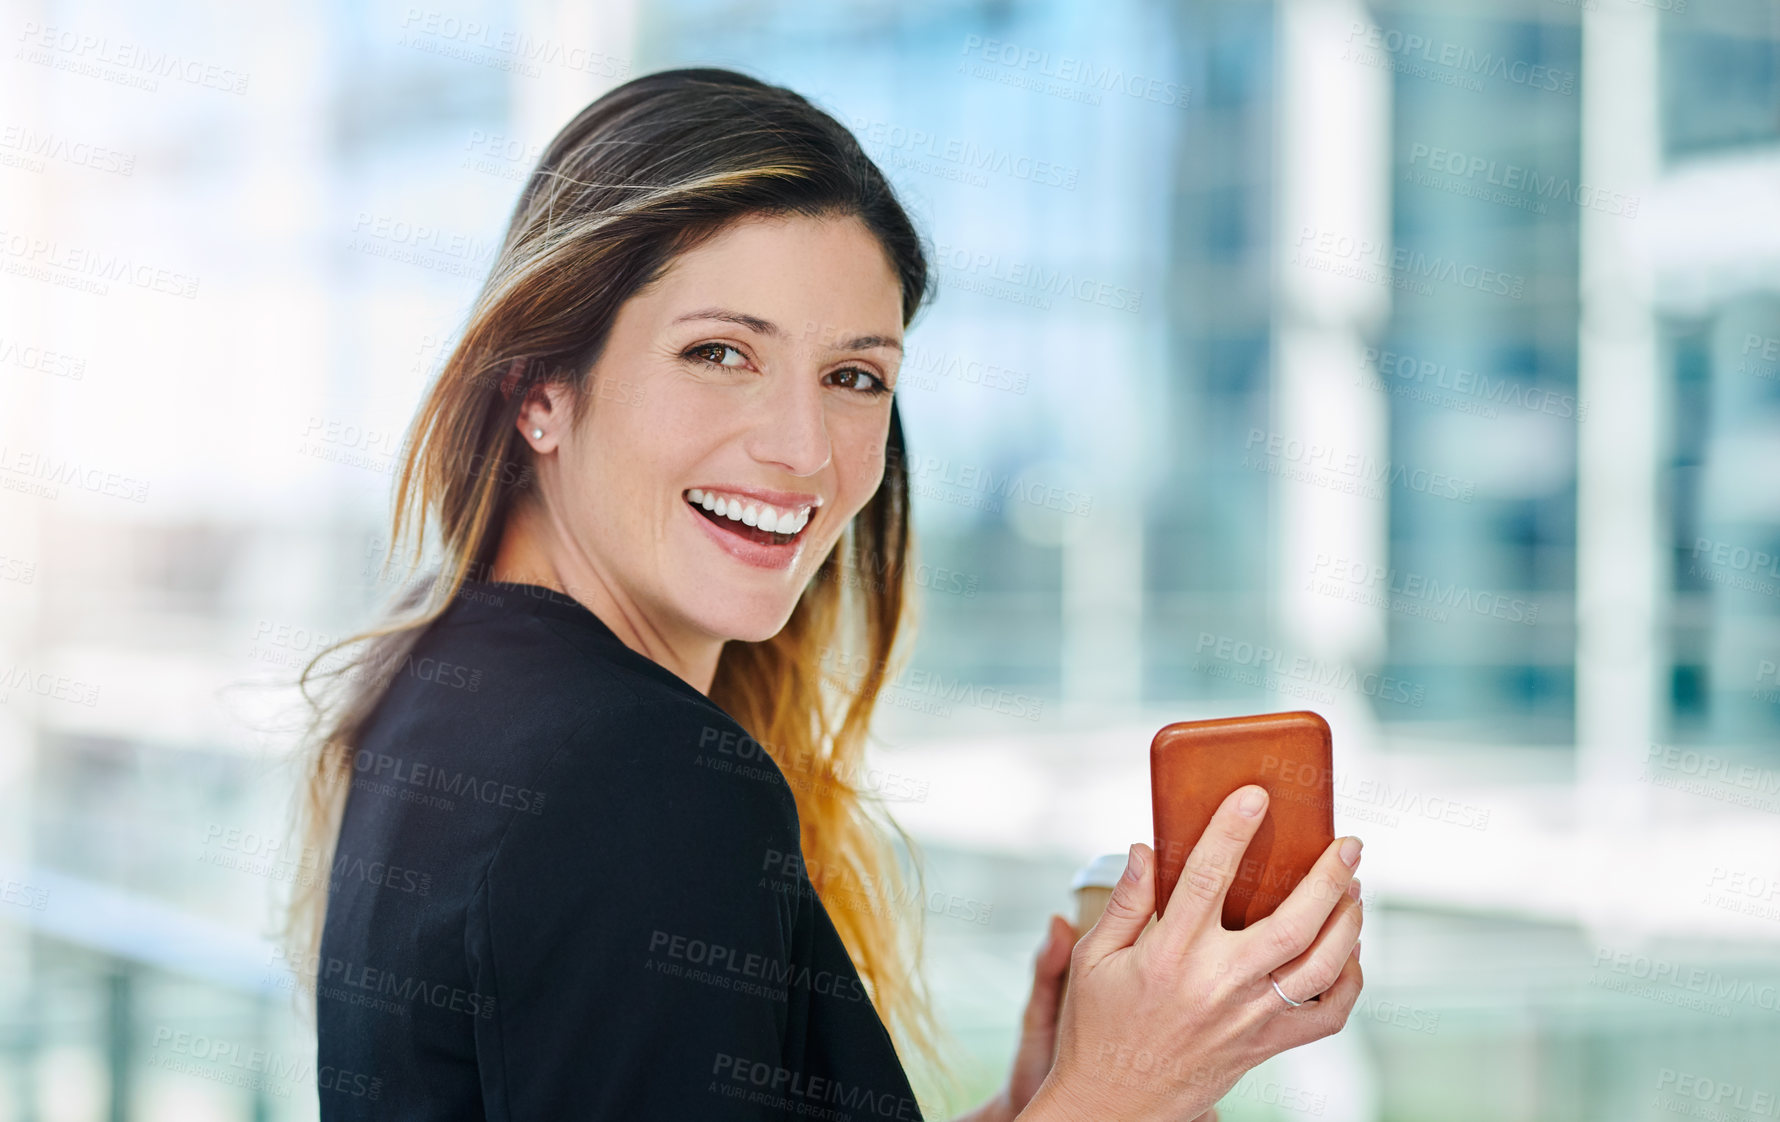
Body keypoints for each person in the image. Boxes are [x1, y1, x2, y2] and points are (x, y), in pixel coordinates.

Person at [287, 66, 1364, 1121]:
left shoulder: (442, 696)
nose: (803, 450)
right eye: (719, 353)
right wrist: (1124, 1092)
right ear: (541, 393)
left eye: (854, 378)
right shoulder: (643, 775)